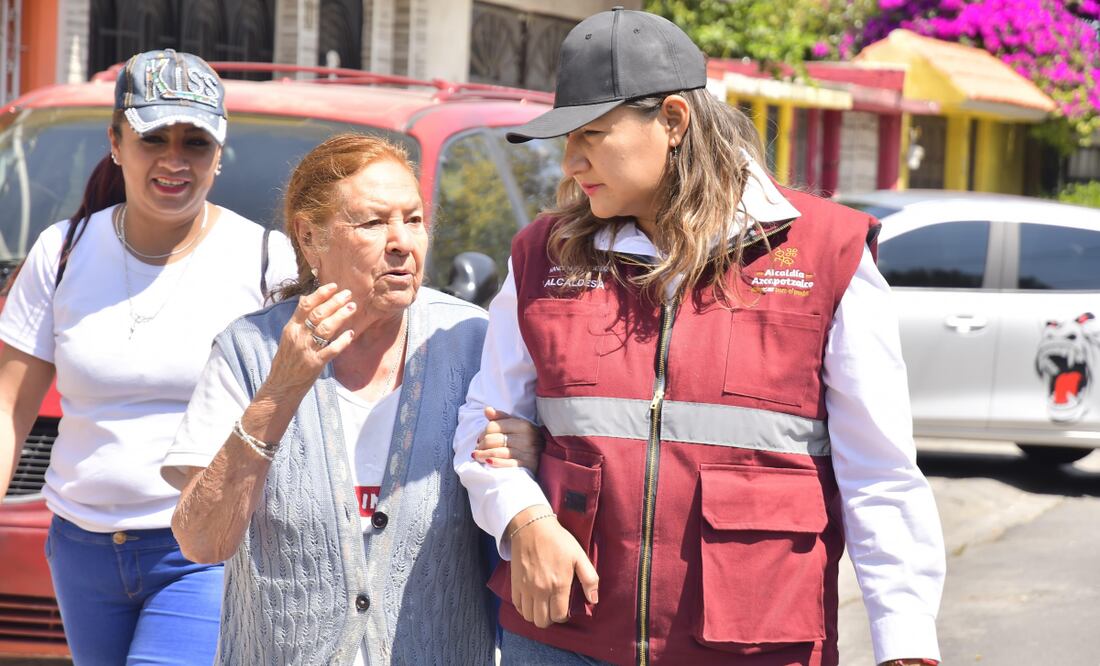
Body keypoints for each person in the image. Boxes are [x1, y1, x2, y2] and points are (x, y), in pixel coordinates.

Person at [453, 8, 946, 666]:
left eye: (593, 135)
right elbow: (483, 426)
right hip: (563, 640)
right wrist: (524, 516)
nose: (570, 163)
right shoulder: (541, 255)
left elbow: (880, 474)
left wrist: (905, 643)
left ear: (674, 122)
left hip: (756, 643)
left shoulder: (829, 256)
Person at [164, 132, 541, 665]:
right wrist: (282, 389)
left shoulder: (473, 343)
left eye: (413, 219)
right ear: (310, 236)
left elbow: (535, 494)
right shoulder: (248, 352)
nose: (402, 242)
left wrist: (534, 452)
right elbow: (202, 541)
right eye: (372, 222)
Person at [0, 49, 298, 664]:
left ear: (219, 154)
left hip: (202, 551)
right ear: (116, 143)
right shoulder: (61, 252)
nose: (173, 159)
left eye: (194, 142)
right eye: (153, 137)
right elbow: (9, 407)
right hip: (79, 548)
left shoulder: (267, 263)